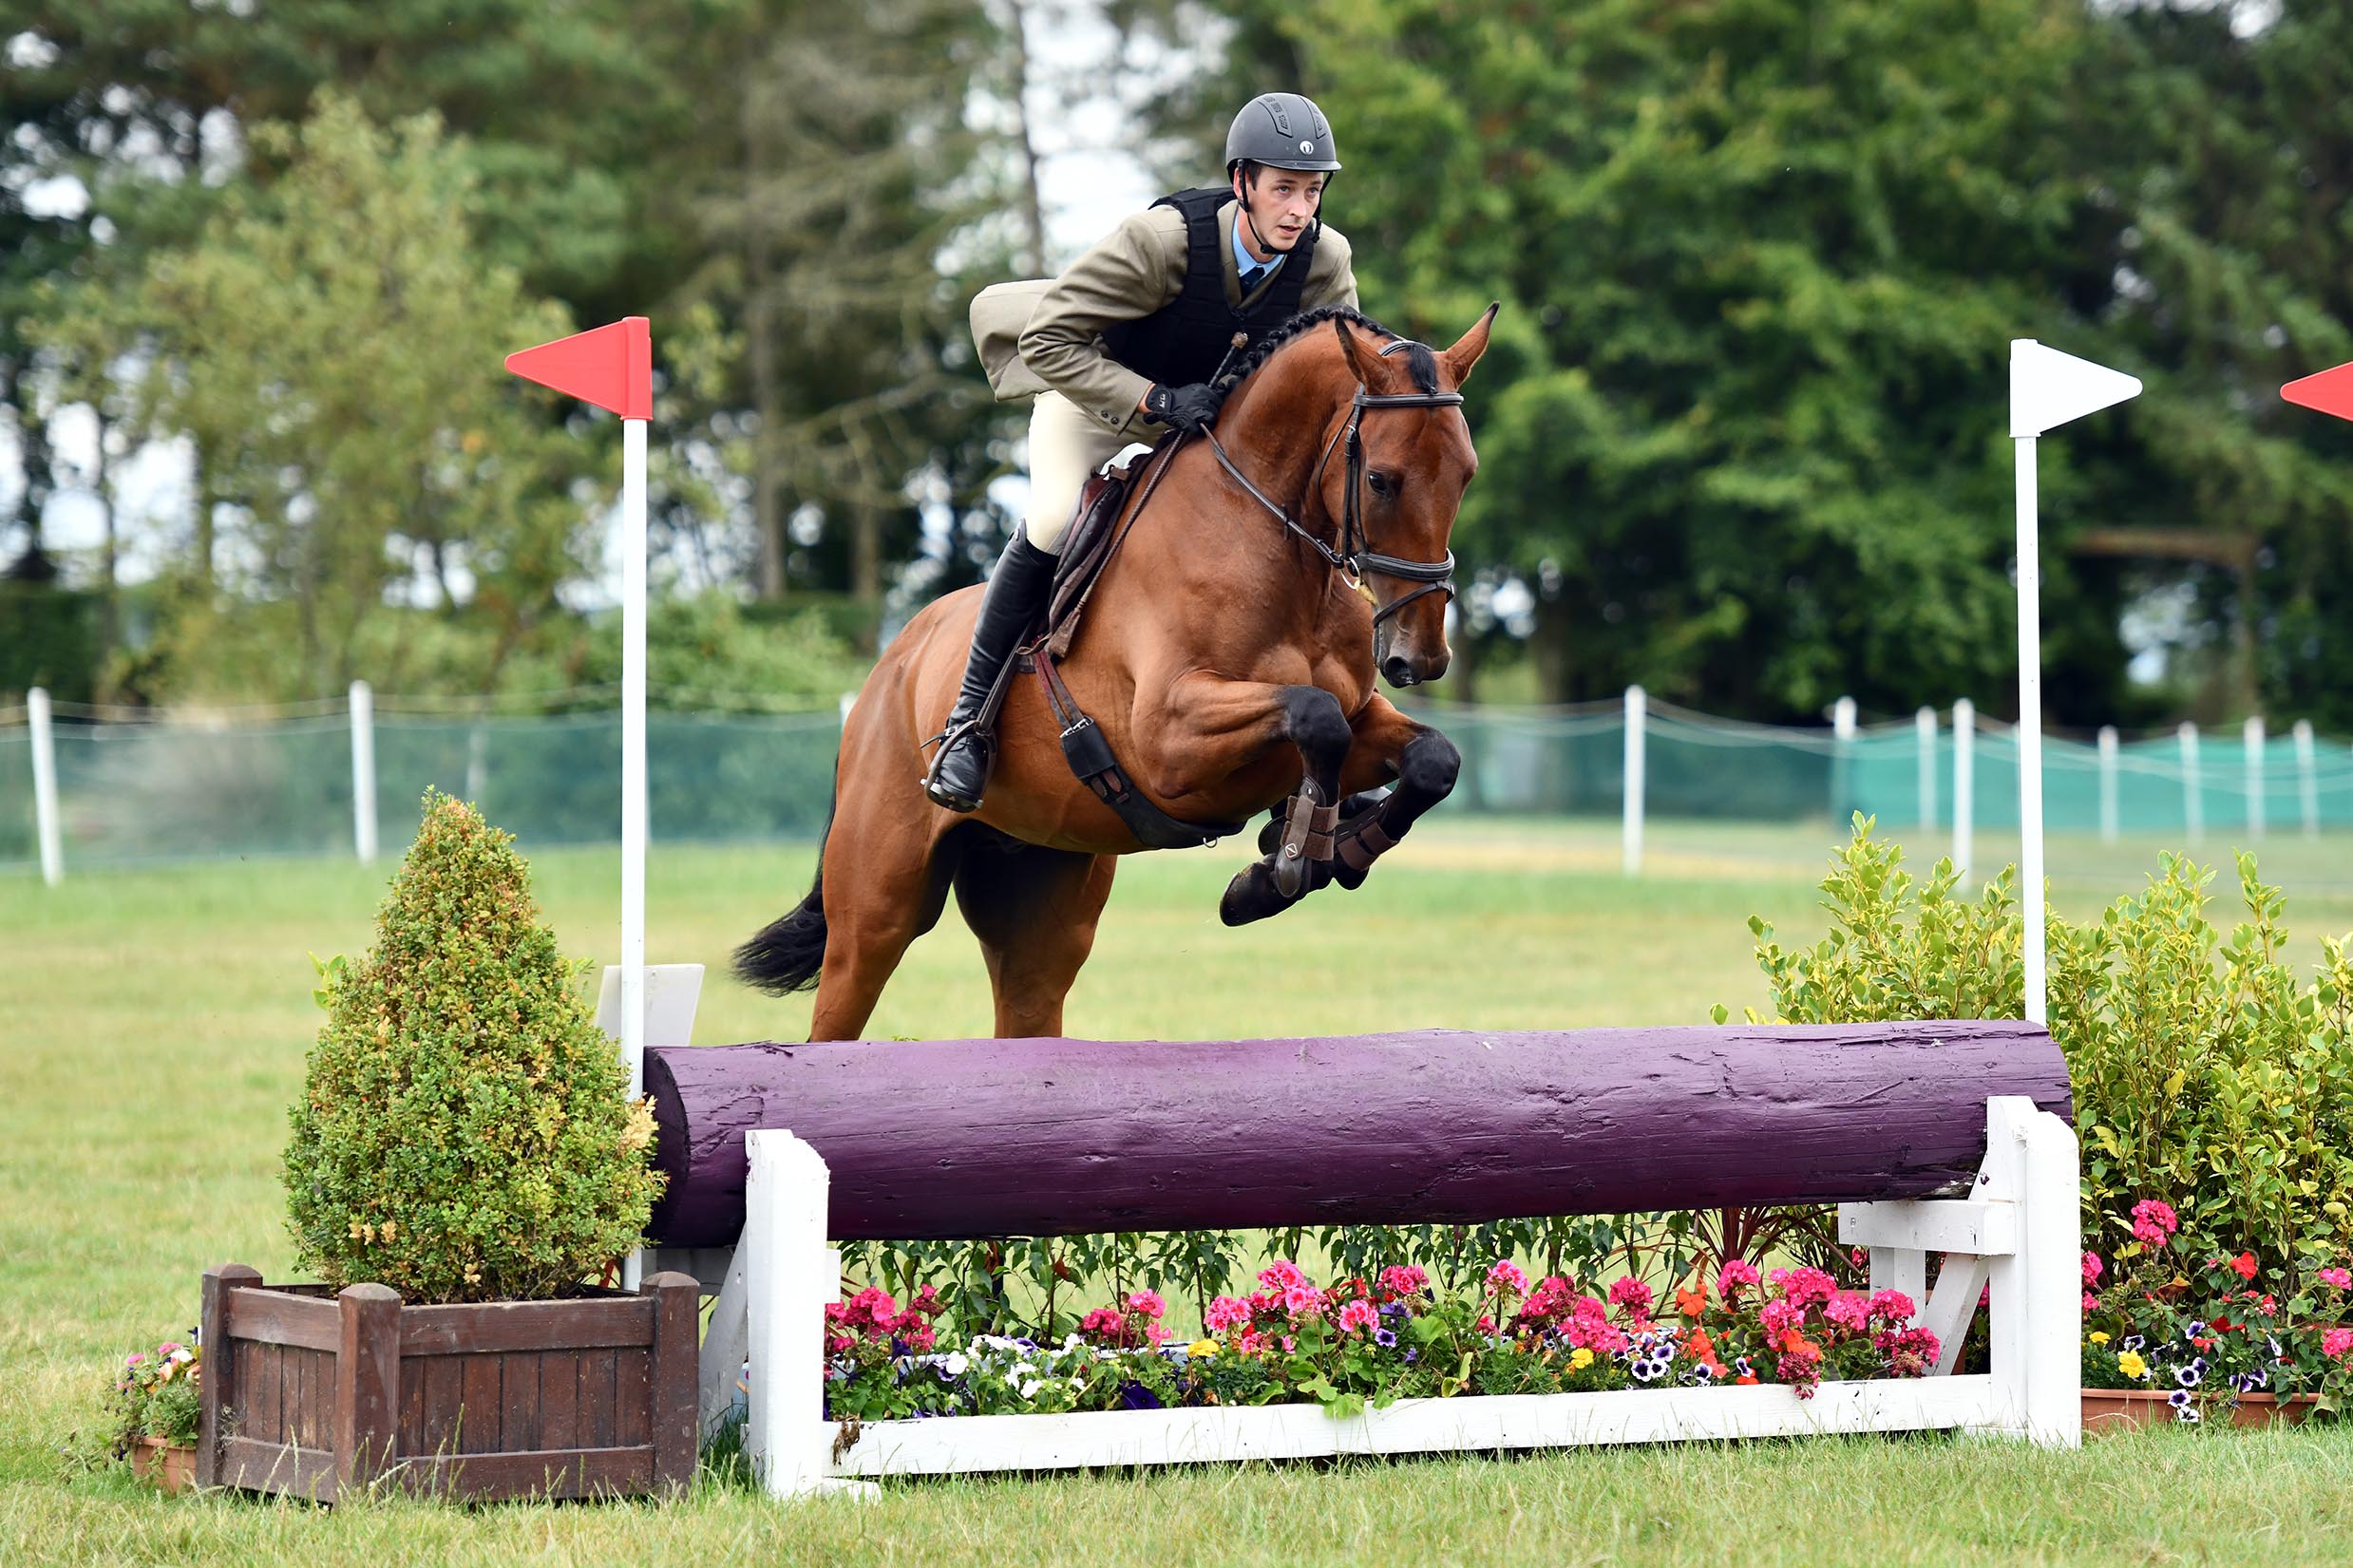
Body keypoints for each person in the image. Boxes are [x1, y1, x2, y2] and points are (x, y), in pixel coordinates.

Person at [927, 90, 1362, 812]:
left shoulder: (1324, 260)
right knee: (1055, 518)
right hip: (1096, 400)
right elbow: (1048, 341)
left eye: (1311, 191)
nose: (1298, 209)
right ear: (1241, 183)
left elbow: (1343, 373)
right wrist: (1152, 401)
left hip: (1212, 433)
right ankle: (967, 723)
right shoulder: (1160, 241)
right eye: (1282, 188)